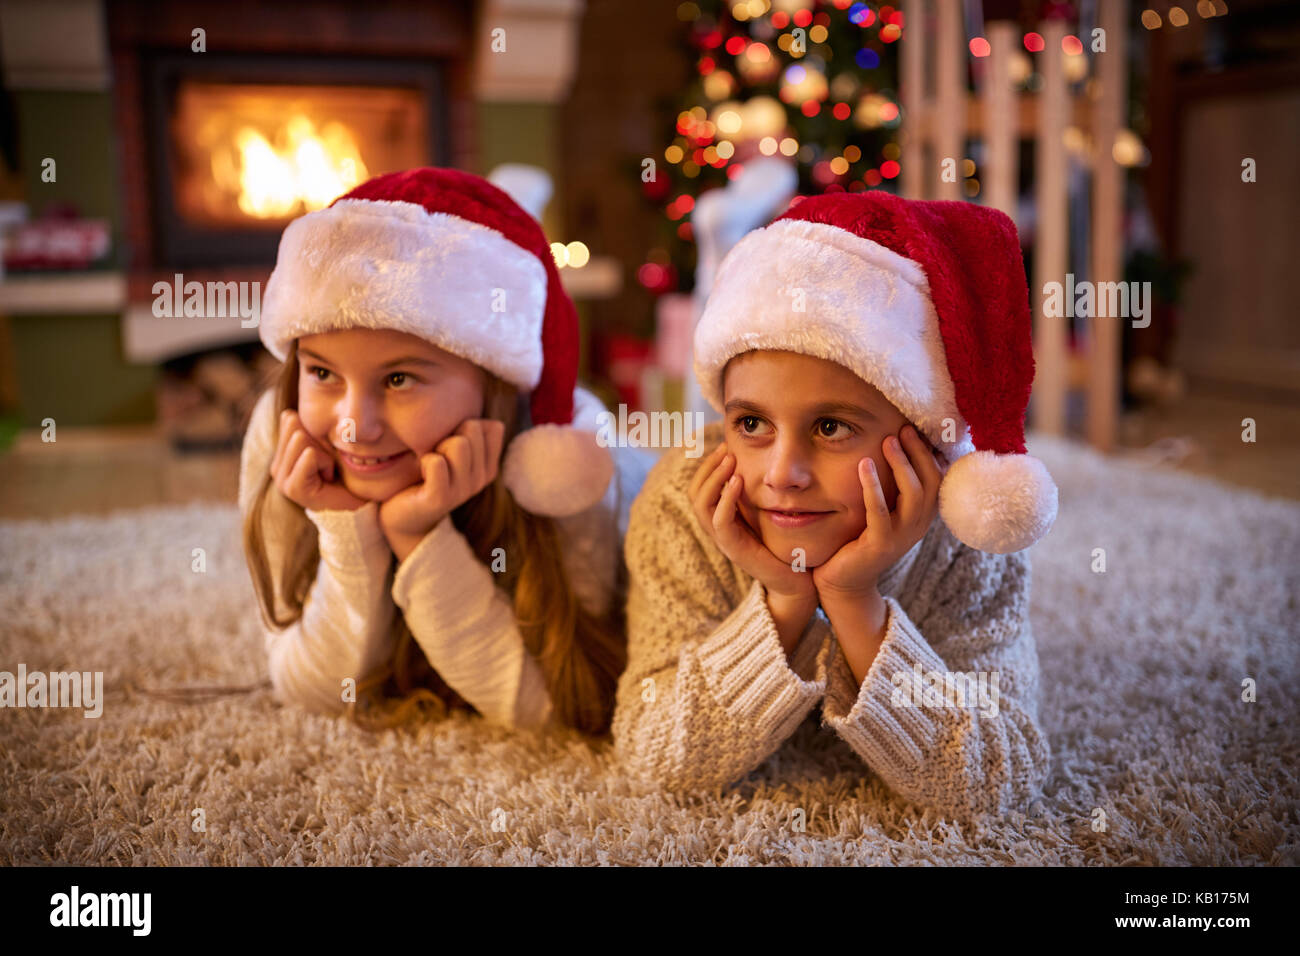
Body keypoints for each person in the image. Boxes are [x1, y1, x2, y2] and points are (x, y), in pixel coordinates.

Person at [612, 191, 1059, 817]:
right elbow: (655, 755)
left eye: (830, 428)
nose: (782, 474)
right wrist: (785, 600)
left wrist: (855, 602)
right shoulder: (684, 506)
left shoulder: (967, 532)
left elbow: (998, 775)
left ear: (925, 440)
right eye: (751, 424)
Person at [239, 167, 647, 738]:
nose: (354, 428)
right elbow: (312, 691)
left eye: (400, 379)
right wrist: (345, 529)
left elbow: (554, 710)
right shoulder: (282, 433)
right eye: (323, 372)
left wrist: (420, 538)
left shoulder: (568, 462)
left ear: (491, 385)